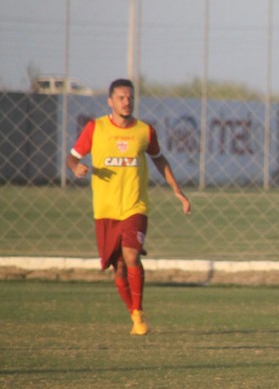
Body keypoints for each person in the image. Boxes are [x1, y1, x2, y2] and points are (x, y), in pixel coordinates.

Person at [66, 78, 191, 335]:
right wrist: (75, 167)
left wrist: (177, 191)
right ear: (110, 101)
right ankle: (134, 313)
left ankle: (138, 313)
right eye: (121, 98)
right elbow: (72, 156)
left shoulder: (144, 131)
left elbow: (159, 159)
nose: (127, 102)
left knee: (132, 255)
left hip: (135, 206)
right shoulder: (95, 128)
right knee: (119, 266)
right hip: (105, 209)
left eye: (130, 97)